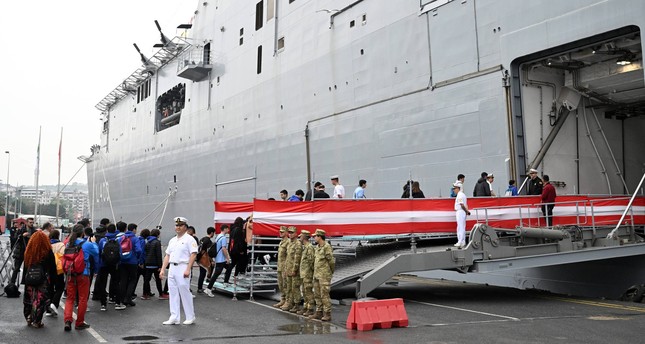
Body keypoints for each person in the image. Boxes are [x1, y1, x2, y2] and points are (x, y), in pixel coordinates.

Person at [160, 217, 198, 325]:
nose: (178, 227)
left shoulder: (190, 239)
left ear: (185, 227)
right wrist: (163, 269)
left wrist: (188, 269)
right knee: (172, 292)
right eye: (176, 225)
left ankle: (190, 316)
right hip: (172, 267)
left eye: (180, 225)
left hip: (183, 266)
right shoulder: (172, 240)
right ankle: (174, 316)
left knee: (184, 292)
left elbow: (193, 254)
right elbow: (167, 255)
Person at [63, 224, 99, 331]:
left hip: (70, 273)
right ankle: (79, 322)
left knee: (70, 298)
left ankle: (68, 320)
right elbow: (96, 253)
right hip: (83, 273)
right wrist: (94, 242)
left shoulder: (68, 243)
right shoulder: (87, 244)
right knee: (82, 299)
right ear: (82, 232)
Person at [22, 230, 57, 328]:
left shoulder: (29, 252)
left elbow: (25, 267)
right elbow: (53, 268)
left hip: (30, 278)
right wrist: (54, 282)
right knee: (39, 300)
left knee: (29, 298)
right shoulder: (47, 252)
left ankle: (28, 316)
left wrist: (24, 279)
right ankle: (37, 321)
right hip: (42, 280)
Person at [309, 229, 334, 322]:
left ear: (320, 236)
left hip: (324, 275)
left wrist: (330, 272)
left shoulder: (326, 247)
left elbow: (331, 261)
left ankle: (327, 313)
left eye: (315, 236)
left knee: (324, 295)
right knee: (317, 294)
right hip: (317, 275)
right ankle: (319, 312)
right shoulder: (317, 247)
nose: (314, 238)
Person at [115, 222, 142, 310]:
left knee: (123, 280)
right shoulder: (135, 238)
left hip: (122, 262)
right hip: (133, 262)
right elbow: (139, 250)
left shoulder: (121, 238)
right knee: (132, 280)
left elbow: (117, 249)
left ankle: (122, 299)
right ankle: (128, 298)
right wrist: (137, 259)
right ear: (133, 229)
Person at [95, 223, 121, 311]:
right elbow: (120, 252)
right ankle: (116, 302)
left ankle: (103, 304)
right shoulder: (118, 240)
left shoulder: (103, 240)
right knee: (116, 282)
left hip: (103, 264)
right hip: (115, 264)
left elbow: (98, 252)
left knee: (103, 283)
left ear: (107, 230)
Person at [205, 224, 232, 296]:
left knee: (229, 267)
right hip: (221, 259)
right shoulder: (223, 238)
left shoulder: (218, 236)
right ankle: (208, 289)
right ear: (225, 229)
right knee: (216, 274)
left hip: (218, 258)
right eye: (228, 229)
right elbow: (223, 249)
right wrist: (227, 258)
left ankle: (225, 282)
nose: (228, 230)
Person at [10, 217, 36, 285]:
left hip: (29, 252)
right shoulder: (21, 229)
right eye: (30, 222)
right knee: (16, 268)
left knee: (27, 269)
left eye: (33, 222)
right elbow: (15, 238)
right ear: (27, 223)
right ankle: (12, 283)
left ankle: (26, 284)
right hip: (20, 251)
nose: (32, 224)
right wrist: (22, 235)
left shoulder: (34, 231)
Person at [281, 226, 301, 312]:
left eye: (292, 232)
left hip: (294, 270)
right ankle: (289, 302)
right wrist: (285, 269)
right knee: (288, 287)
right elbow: (287, 257)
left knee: (295, 288)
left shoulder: (298, 244)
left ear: (296, 234)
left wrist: (294, 270)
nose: (290, 234)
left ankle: (296, 304)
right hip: (288, 268)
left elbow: (297, 258)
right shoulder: (290, 243)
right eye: (289, 232)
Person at [47, 229, 65, 317]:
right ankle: (54, 303)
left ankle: (48, 308)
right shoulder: (61, 245)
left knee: (50, 287)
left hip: (48, 269)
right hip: (58, 269)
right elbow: (63, 256)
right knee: (60, 287)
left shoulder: (47, 244)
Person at [142, 228, 164, 300]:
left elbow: (144, 253)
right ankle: (161, 294)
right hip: (155, 264)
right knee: (158, 280)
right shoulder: (157, 242)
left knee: (146, 280)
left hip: (147, 263)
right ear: (157, 234)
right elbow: (158, 254)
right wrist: (160, 266)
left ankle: (145, 294)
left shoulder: (148, 242)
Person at [298, 230, 315, 316]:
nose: (299, 237)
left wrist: (310, 272)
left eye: (301, 236)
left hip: (307, 273)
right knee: (304, 291)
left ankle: (310, 308)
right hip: (303, 273)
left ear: (304, 237)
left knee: (308, 291)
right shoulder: (305, 247)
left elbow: (311, 261)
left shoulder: (309, 247)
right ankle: (305, 307)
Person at [272, 226, 290, 308]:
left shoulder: (288, 242)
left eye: (282, 232)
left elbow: (289, 256)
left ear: (286, 233)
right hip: (280, 266)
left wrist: (287, 268)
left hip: (285, 267)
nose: (280, 233)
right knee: (281, 284)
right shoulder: (282, 242)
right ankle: (282, 300)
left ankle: (287, 301)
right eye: (280, 231)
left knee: (286, 285)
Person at [196, 227, 215, 293]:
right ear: (212, 233)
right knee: (203, 273)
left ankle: (199, 287)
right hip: (204, 259)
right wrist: (211, 260)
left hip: (199, 258)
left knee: (202, 273)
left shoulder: (202, 239)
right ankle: (200, 287)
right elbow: (208, 252)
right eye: (213, 233)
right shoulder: (208, 241)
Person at [453, 182, 471, 248]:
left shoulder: (460, 195)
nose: (454, 190)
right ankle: (462, 241)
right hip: (462, 211)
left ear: (459, 188)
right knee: (461, 226)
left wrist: (466, 211)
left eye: (455, 188)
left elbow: (462, 204)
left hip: (460, 211)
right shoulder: (462, 195)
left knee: (460, 227)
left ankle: (460, 241)